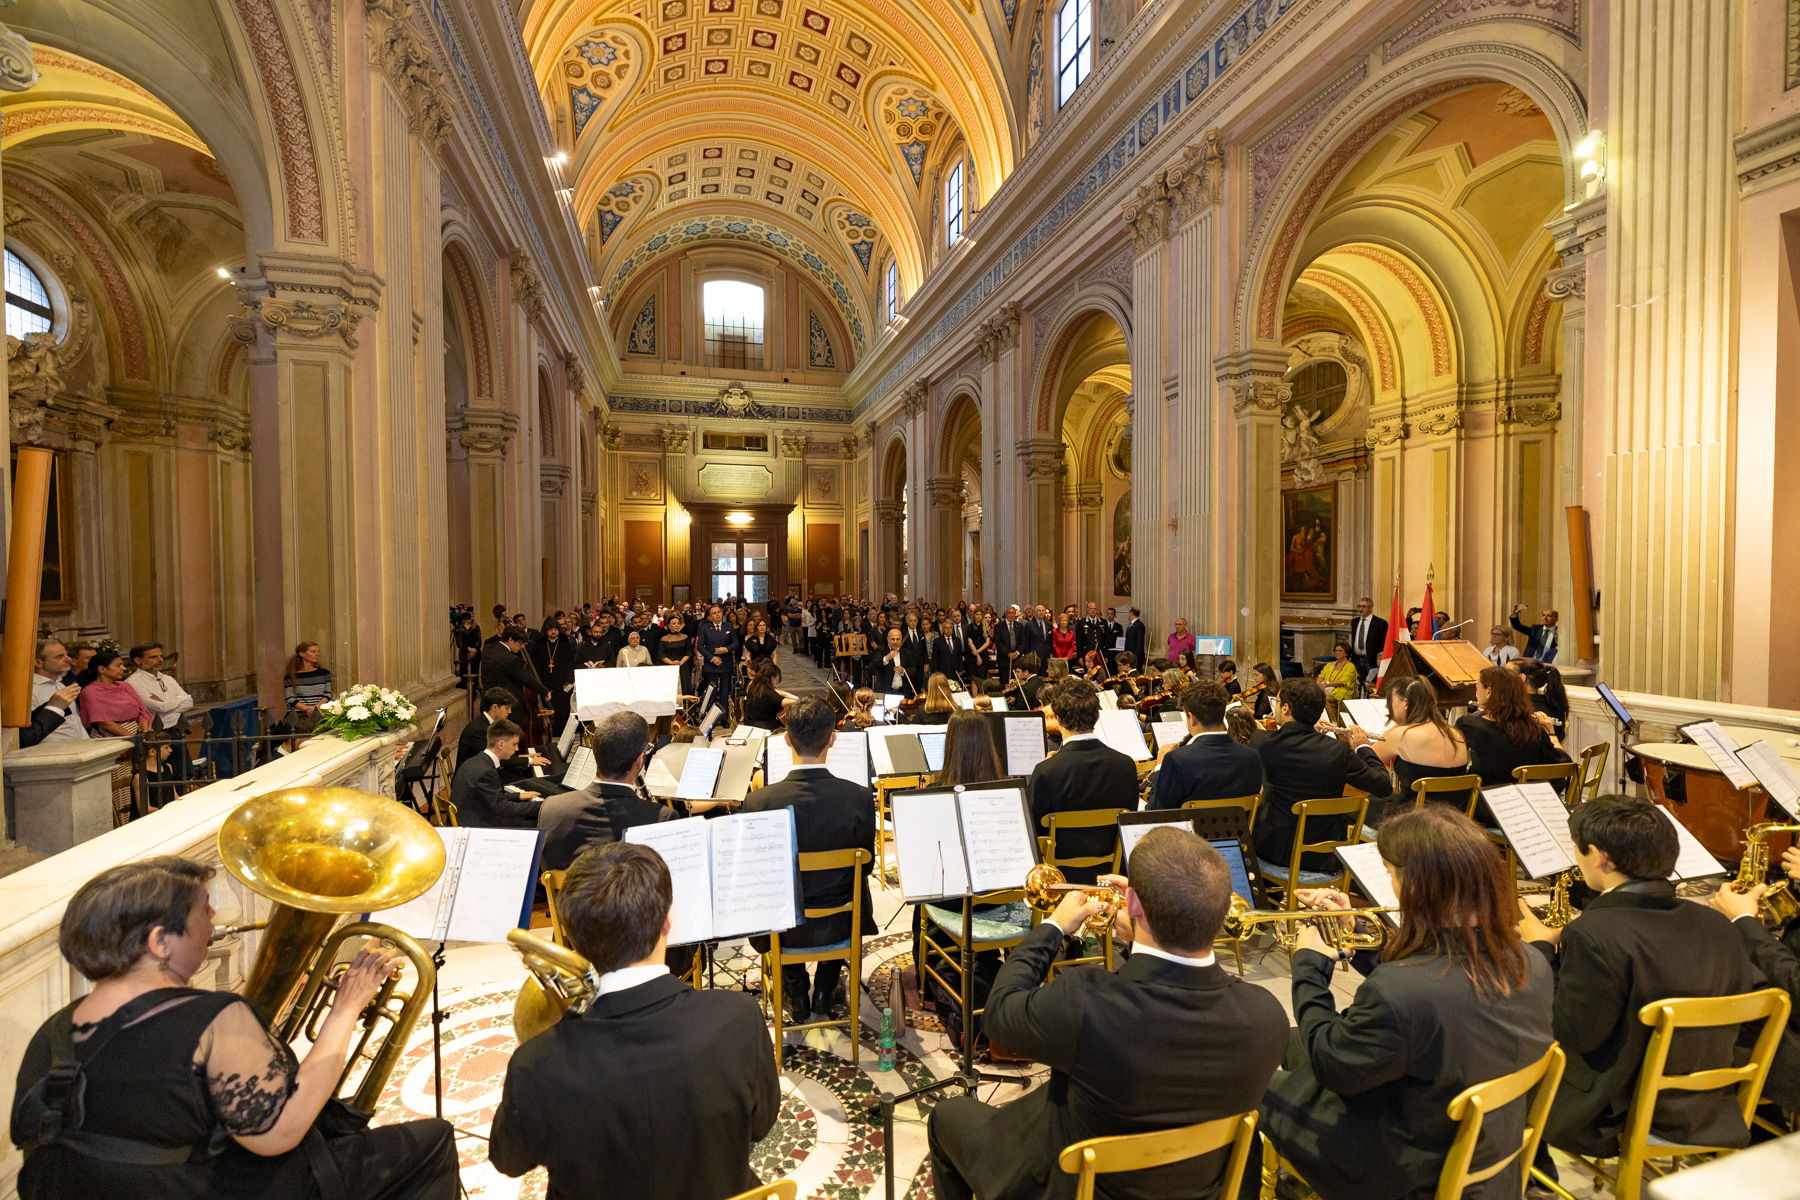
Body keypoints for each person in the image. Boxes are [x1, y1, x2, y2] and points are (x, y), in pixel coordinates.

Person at [10, 859, 458, 1200]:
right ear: (159, 942)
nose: (215, 921)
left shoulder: (54, 1030)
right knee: (431, 1141)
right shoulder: (214, 1017)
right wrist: (346, 1008)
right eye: (204, 911)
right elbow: (280, 1133)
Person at [927, 828, 1288, 1200]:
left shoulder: (1085, 1001)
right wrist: (1145, 927)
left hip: (1076, 1186)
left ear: (1132, 904)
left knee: (948, 1117)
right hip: (1202, 1189)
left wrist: (1054, 926)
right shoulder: (1267, 1017)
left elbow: (1000, 1012)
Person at [1258, 805, 1553, 1200]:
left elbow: (1332, 1065)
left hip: (1409, 1169)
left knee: (1255, 1079)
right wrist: (1357, 933)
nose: (1391, 885)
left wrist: (1308, 968)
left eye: (1391, 873)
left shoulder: (1400, 992)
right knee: (1294, 1041)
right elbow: (1431, 973)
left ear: (1417, 885)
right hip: (1485, 1141)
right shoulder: (1528, 959)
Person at [489, 842, 780, 1199]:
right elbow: (760, 1125)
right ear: (666, 923)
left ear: (573, 942)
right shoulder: (739, 1018)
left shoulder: (534, 1065)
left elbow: (508, 1160)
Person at [1519, 795, 1770, 1159]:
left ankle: (1524, 1182)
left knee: (1499, 1055)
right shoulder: (1717, 923)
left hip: (1617, 1111)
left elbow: (1574, 1035)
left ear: (1599, 856)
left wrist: (1542, 951)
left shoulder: (1594, 933)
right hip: (1710, 1106)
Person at [744, 699, 875, 1023]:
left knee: (772, 894)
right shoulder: (858, 797)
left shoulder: (759, 801)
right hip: (841, 922)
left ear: (786, 740)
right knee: (850, 884)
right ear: (833, 738)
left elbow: (754, 873)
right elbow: (867, 865)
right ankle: (826, 989)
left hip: (784, 927)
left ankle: (795, 990)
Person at [1254, 678, 1392, 871]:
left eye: (1277, 704)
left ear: (1286, 709)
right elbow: (1384, 786)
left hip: (1272, 850)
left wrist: (1308, 728)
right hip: (1324, 857)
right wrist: (1362, 746)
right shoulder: (1338, 751)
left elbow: (1284, 739)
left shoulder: (1260, 742)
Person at [1026, 679, 1137, 884]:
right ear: (1097, 716)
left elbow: (1031, 832)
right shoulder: (1126, 765)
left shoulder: (1046, 771)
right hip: (1111, 873)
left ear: (1058, 720)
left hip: (1059, 877)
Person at [1359, 676, 1473, 823]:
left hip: (1414, 820)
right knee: (1376, 798)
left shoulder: (1403, 734)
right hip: (1452, 818)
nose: (1387, 707)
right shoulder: (1455, 734)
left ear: (1405, 702)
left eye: (1390, 701)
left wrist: (1360, 744)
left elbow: (1364, 763)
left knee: (1356, 807)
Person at [1148, 682, 1263, 810]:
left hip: (1190, 830)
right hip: (1238, 829)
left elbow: (1155, 811)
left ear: (1192, 718)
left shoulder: (1177, 759)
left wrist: (1159, 767)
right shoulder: (1252, 756)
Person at [1456, 665, 1570, 790]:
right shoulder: (1534, 729)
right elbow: (1562, 767)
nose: (1476, 693)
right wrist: (1551, 734)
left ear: (1488, 692)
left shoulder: (1469, 725)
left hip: (1482, 800)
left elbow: (1453, 764)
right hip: (1523, 800)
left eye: (1477, 688)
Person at [451, 718, 543, 828]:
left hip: (471, 817)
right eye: (514, 744)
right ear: (501, 744)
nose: (517, 749)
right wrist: (543, 806)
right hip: (478, 827)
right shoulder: (486, 771)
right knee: (541, 823)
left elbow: (492, 796)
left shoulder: (473, 761)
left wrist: (518, 796)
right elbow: (503, 808)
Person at [30, 640, 87, 742]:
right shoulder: (30, 691)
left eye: (67, 655)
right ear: (38, 662)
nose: (68, 659)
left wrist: (87, 742)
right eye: (60, 656)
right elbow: (32, 731)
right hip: (53, 752)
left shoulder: (60, 684)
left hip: (79, 748)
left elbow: (74, 720)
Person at [480, 627, 547, 711]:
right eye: (520, 643)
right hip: (505, 706)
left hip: (488, 702)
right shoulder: (511, 659)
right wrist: (544, 692)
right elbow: (527, 679)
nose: (522, 647)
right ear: (510, 640)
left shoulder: (488, 649)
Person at [532, 621, 576, 732]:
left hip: (562, 682)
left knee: (561, 708)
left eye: (555, 629)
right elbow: (536, 665)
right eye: (550, 630)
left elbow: (570, 664)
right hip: (545, 682)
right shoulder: (540, 645)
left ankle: (561, 730)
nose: (553, 632)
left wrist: (569, 681)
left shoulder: (564, 644)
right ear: (545, 631)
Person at [1511, 656, 1568, 740]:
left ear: (1521, 678)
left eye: (1507, 673)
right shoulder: (1554, 704)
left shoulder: (1516, 707)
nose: (1503, 678)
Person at [282, 642, 332, 732]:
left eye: (318, 651)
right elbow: (290, 699)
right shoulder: (290, 677)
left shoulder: (324, 673)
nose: (317, 654)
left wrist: (316, 708)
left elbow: (327, 695)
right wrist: (308, 709)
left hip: (320, 712)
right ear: (302, 654)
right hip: (299, 716)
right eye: (313, 651)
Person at [695, 605, 739, 702]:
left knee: (725, 692)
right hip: (711, 664)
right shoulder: (704, 627)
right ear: (710, 616)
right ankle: (711, 714)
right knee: (711, 692)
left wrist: (726, 649)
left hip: (725, 663)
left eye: (719, 612)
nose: (717, 614)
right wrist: (712, 658)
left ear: (722, 613)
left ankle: (724, 715)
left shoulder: (728, 626)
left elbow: (735, 643)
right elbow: (700, 646)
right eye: (714, 613)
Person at [740, 660, 790, 729]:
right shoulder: (768, 692)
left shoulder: (752, 685)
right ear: (772, 678)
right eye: (776, 679)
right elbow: (786, 702)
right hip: (764, 728)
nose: (776, 683)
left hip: (748, 723)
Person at [1347, 596, 1388, 679]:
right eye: (1359, 606)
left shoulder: (1380, 623)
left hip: (1372, 660)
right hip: (1357, 659)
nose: (1361, 609)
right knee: (1359, 682)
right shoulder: (1354, 622)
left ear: (1371, 608)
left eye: (1364, 606)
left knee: (1371, 683)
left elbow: (1385, 642)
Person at [655, 613, 693, 694]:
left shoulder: (685, 637)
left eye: (678, 623)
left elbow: (688, 652)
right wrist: (672, 663)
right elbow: (661, 654)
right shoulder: (663, 638)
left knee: (684, 688)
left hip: (683, 665)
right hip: (668, 665)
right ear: (669, 625)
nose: (676, 625)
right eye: (674, 623)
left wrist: (681, 662)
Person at [1316, 640, 1358, 704]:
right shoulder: (1330, 664)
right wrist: (1319, 684)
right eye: (1336, 650)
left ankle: (1331, 714)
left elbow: (1342, 681)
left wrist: (1326, 684)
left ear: (1346, 653)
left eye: (1340, 650)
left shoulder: (1350, 666)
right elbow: (1321, 676)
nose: (1337, 652)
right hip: (1326, 689)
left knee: (1324, 699)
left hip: (1341, 691)